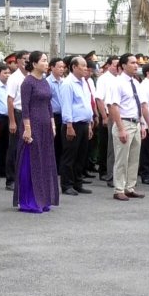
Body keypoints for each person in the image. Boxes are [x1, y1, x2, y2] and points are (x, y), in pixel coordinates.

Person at [15, 51, 61, 212]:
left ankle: (43, 198)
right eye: (43, 60)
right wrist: (27, 129)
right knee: (32, 161)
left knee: (44, 161)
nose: (46, 63)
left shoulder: (45, 81)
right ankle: (30, 200)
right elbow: (25, 107)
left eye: (47, 60)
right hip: (32, 125)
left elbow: (49, 105)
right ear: (34, 64)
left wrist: (52, 125)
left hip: (45, 125)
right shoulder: (27, 82)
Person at [107, 53, 149, 200]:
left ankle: (129, 187)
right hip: (124, 122)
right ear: (123, 65)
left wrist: (143, 125)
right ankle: (119, 189)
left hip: (136, 123)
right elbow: (114, 107)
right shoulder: (117, 83)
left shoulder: (137, 83)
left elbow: (141, 105)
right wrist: (120, 128)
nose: (136, 65)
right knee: (122, 158)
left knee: (134, 158)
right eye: (132, 63)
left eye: (136, 63)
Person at [59, 56, 94, 196]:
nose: (86, 68)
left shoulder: (84, 82)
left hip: (84, 123)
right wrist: (69, 125)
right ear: (74, 67)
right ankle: (67, 185)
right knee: (69, 156)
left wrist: (89, 124)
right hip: (73, 124)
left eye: (86, 66)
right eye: (83, 66)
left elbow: (86, 103)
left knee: (81, 156)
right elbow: (66, 105)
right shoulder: (68, 83)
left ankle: (77, 183)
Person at [5, 50, 29, 191]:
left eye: (29, 58)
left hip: (29, 115)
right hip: (18, 113)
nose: (27, 61)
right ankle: (11, 179)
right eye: (24, 59)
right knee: (14, 148)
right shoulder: (14, 78)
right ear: (18, 61)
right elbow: (10, 100)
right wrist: (12, 121)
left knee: (27, 147)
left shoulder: (31, 76)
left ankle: (23, 177)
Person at [94, 57, 119, 184]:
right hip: (108, 114)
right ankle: (104, 171)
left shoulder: (119, 78)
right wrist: (104, 116)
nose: (117, 67)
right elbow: (99, 99)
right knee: (106, 145)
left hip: (118, 115)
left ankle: (114, 172)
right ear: (108, 66)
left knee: (115, 146)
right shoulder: (103, 79)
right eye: (115, 65)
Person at [46, 57, 66, 169]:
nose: (62, 69)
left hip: (64, 115)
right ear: (52, 67)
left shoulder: (64, 82)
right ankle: (52, 166)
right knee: (53, 141)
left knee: (62, 142)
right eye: (59, 67)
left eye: (63, 67)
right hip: (53, 115)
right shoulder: (47, 82)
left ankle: (60, 166)